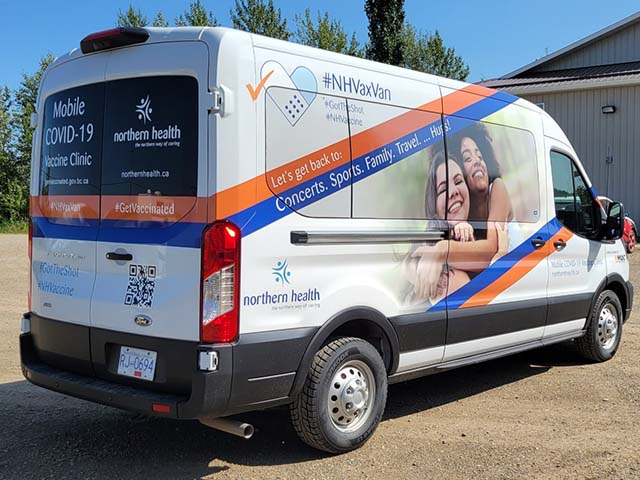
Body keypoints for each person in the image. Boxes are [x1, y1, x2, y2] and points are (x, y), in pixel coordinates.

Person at [405, 151, 471, 303]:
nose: (453, 192)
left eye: (459, 181)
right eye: (442, 190)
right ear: (433, 205)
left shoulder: (485, 229)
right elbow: (408, 263)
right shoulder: (451, 279)